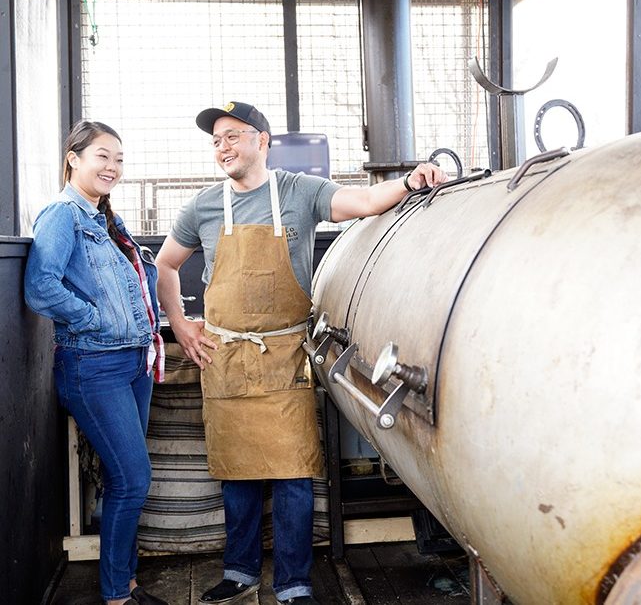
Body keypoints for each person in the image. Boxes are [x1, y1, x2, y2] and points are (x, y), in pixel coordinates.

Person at [155, 101, 448, 605]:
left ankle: (293, 585)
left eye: (233, 136)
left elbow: (363, 201)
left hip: (285, 354)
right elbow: (164, 265)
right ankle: (240, 574)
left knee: (293, 475)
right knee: (236, 473)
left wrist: (411, 181)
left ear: (262, 140)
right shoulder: (202, 206)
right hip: (225, 359)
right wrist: (181, 325)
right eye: (216, 140)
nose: (223, 147)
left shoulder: (298, 191)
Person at [24, 121, 168, 605]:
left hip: (133, 362)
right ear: (73, 159)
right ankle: (117, 594)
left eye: (120, 159)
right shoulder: (62, 214)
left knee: (122, 477)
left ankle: (124, 579)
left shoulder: (104, 218)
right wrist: (94, 318)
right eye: (103, 156)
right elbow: (40, 286)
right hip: (94, 365)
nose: (113, 167)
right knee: (134, 477)